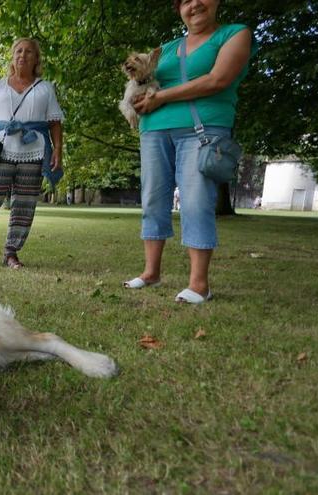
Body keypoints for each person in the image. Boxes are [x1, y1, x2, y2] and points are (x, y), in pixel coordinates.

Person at [124, 0, 258, 303]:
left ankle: (199, 284)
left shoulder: (235, 34)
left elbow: (217, 80)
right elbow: (142, 80)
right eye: (185, 0)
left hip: (203, 130)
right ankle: (151, 273)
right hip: (154, 130)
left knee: (196, 201)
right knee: (152, 199)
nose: (194, 4)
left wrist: (160, 98)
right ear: (178, 9)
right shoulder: (168, 48)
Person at [0, 37, 63, 269]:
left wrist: (58, 150)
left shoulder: (46, 88)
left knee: (25, 205)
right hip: (0, 150)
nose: (23, 55)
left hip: (34, 151)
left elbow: (54, 122)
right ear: (13, 57)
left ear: (36, 58)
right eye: (18, 51)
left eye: (29, 52)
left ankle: (11, 253)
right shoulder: (0, 86)